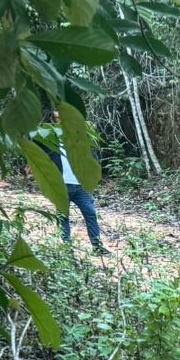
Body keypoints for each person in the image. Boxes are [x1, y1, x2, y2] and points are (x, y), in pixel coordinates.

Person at [33, 108, 106, 254]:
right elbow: (33, 146)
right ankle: (67, 248)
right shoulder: (48, 140)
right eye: (58, 118)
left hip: (81, 186)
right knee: (63, 216)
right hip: (61, 185)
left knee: (91, 213)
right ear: (53, 121)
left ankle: (97, 246)